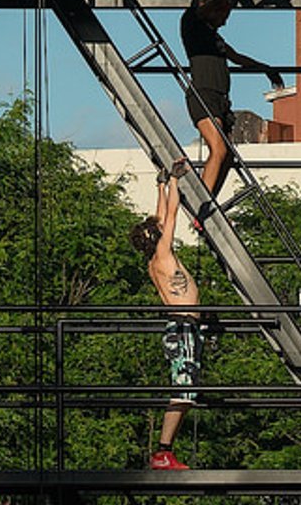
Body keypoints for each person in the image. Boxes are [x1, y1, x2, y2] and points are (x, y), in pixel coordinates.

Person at [177, 0, 284, 223]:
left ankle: (208, 202)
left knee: (228, 156)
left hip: (220, 100)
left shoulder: (216, 39)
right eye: (224, 15)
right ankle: (201, 204)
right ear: (212, 9)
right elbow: (201, 3)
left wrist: (266, 68)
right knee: (219, 149)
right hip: (203, 95)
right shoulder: (192, 25)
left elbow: (237, 58)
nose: (225, 22)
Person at [130, 169, 201, 471]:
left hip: (184, 327)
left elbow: (160, 218)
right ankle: (162, 451)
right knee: (183, 392)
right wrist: (174, 181)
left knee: (188, 392)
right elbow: (170, 214)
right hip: (183, 327)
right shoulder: (162, 252)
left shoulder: (154, 259)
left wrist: (160, 185)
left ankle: (165, 450)